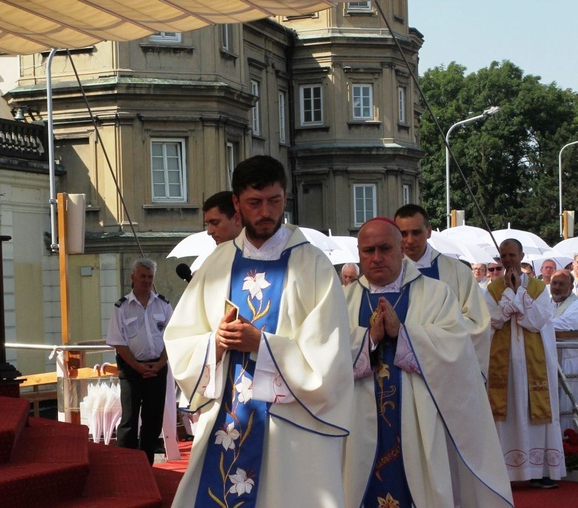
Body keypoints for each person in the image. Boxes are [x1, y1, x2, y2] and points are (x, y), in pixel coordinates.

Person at [164, 155, 353, 507]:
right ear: (237, 204)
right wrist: (215, 344)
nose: (266, 211)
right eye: (254, 202)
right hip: (228, 417)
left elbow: (329, 355)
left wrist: (261, 345)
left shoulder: (313, 265)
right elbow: (180, 339)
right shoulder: (217, 265)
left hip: (289, 427)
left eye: (274, 201)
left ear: (285, 197)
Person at [343, 217, 512, 508]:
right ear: (359, 254)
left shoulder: (436, 293)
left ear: (400, 249)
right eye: (368, 251)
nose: (376, 258)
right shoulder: (343, 298)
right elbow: (327, 355)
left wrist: (404, 334)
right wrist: (368, 338)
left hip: (418, 423)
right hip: (357, 421)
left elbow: (458, 350)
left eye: (385, 248)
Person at [485, 239, 566, 487]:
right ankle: (505, 472)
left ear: (521, 255)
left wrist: (516, 294)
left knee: (537, 412)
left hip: (534, 364)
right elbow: (494, 318)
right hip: (504, 366)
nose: (507, 259)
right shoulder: (490, 289)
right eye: (503, 255)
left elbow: (535, 320)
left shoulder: (540, 288)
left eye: (511, 254)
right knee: (505, 413)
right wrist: (511, 296)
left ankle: (540, 470)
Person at [394, 204, 492, 378]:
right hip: (398, 369)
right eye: (403, 234)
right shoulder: (389, 274)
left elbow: (478, 324)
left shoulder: (457, 272)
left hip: (445, 370)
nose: (409, 240)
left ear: (429, 231)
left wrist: (429, 336)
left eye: (416, 232)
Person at [106, 258, 173, 464]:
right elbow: (118, 341)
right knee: (129, 420)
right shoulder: (122, 307)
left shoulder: (163, 304)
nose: (146, 281)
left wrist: (160, 363)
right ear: (133, 277)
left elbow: (174, 337)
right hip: (131, 370)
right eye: (142, 276)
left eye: (150, 277)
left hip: (158, 367)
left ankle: (146, 464)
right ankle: (125, 464)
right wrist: (137, 366)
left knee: (153, 420)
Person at [549, 269, 578, 432]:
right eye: (554, 283)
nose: (557, 287)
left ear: (571, 286)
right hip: (551, 362)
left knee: (567, 408)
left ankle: (569, 443)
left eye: (562, 284)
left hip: (570, 361)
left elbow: (564, 324)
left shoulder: (576, 305)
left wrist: (536, 322)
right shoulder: (548, 302)